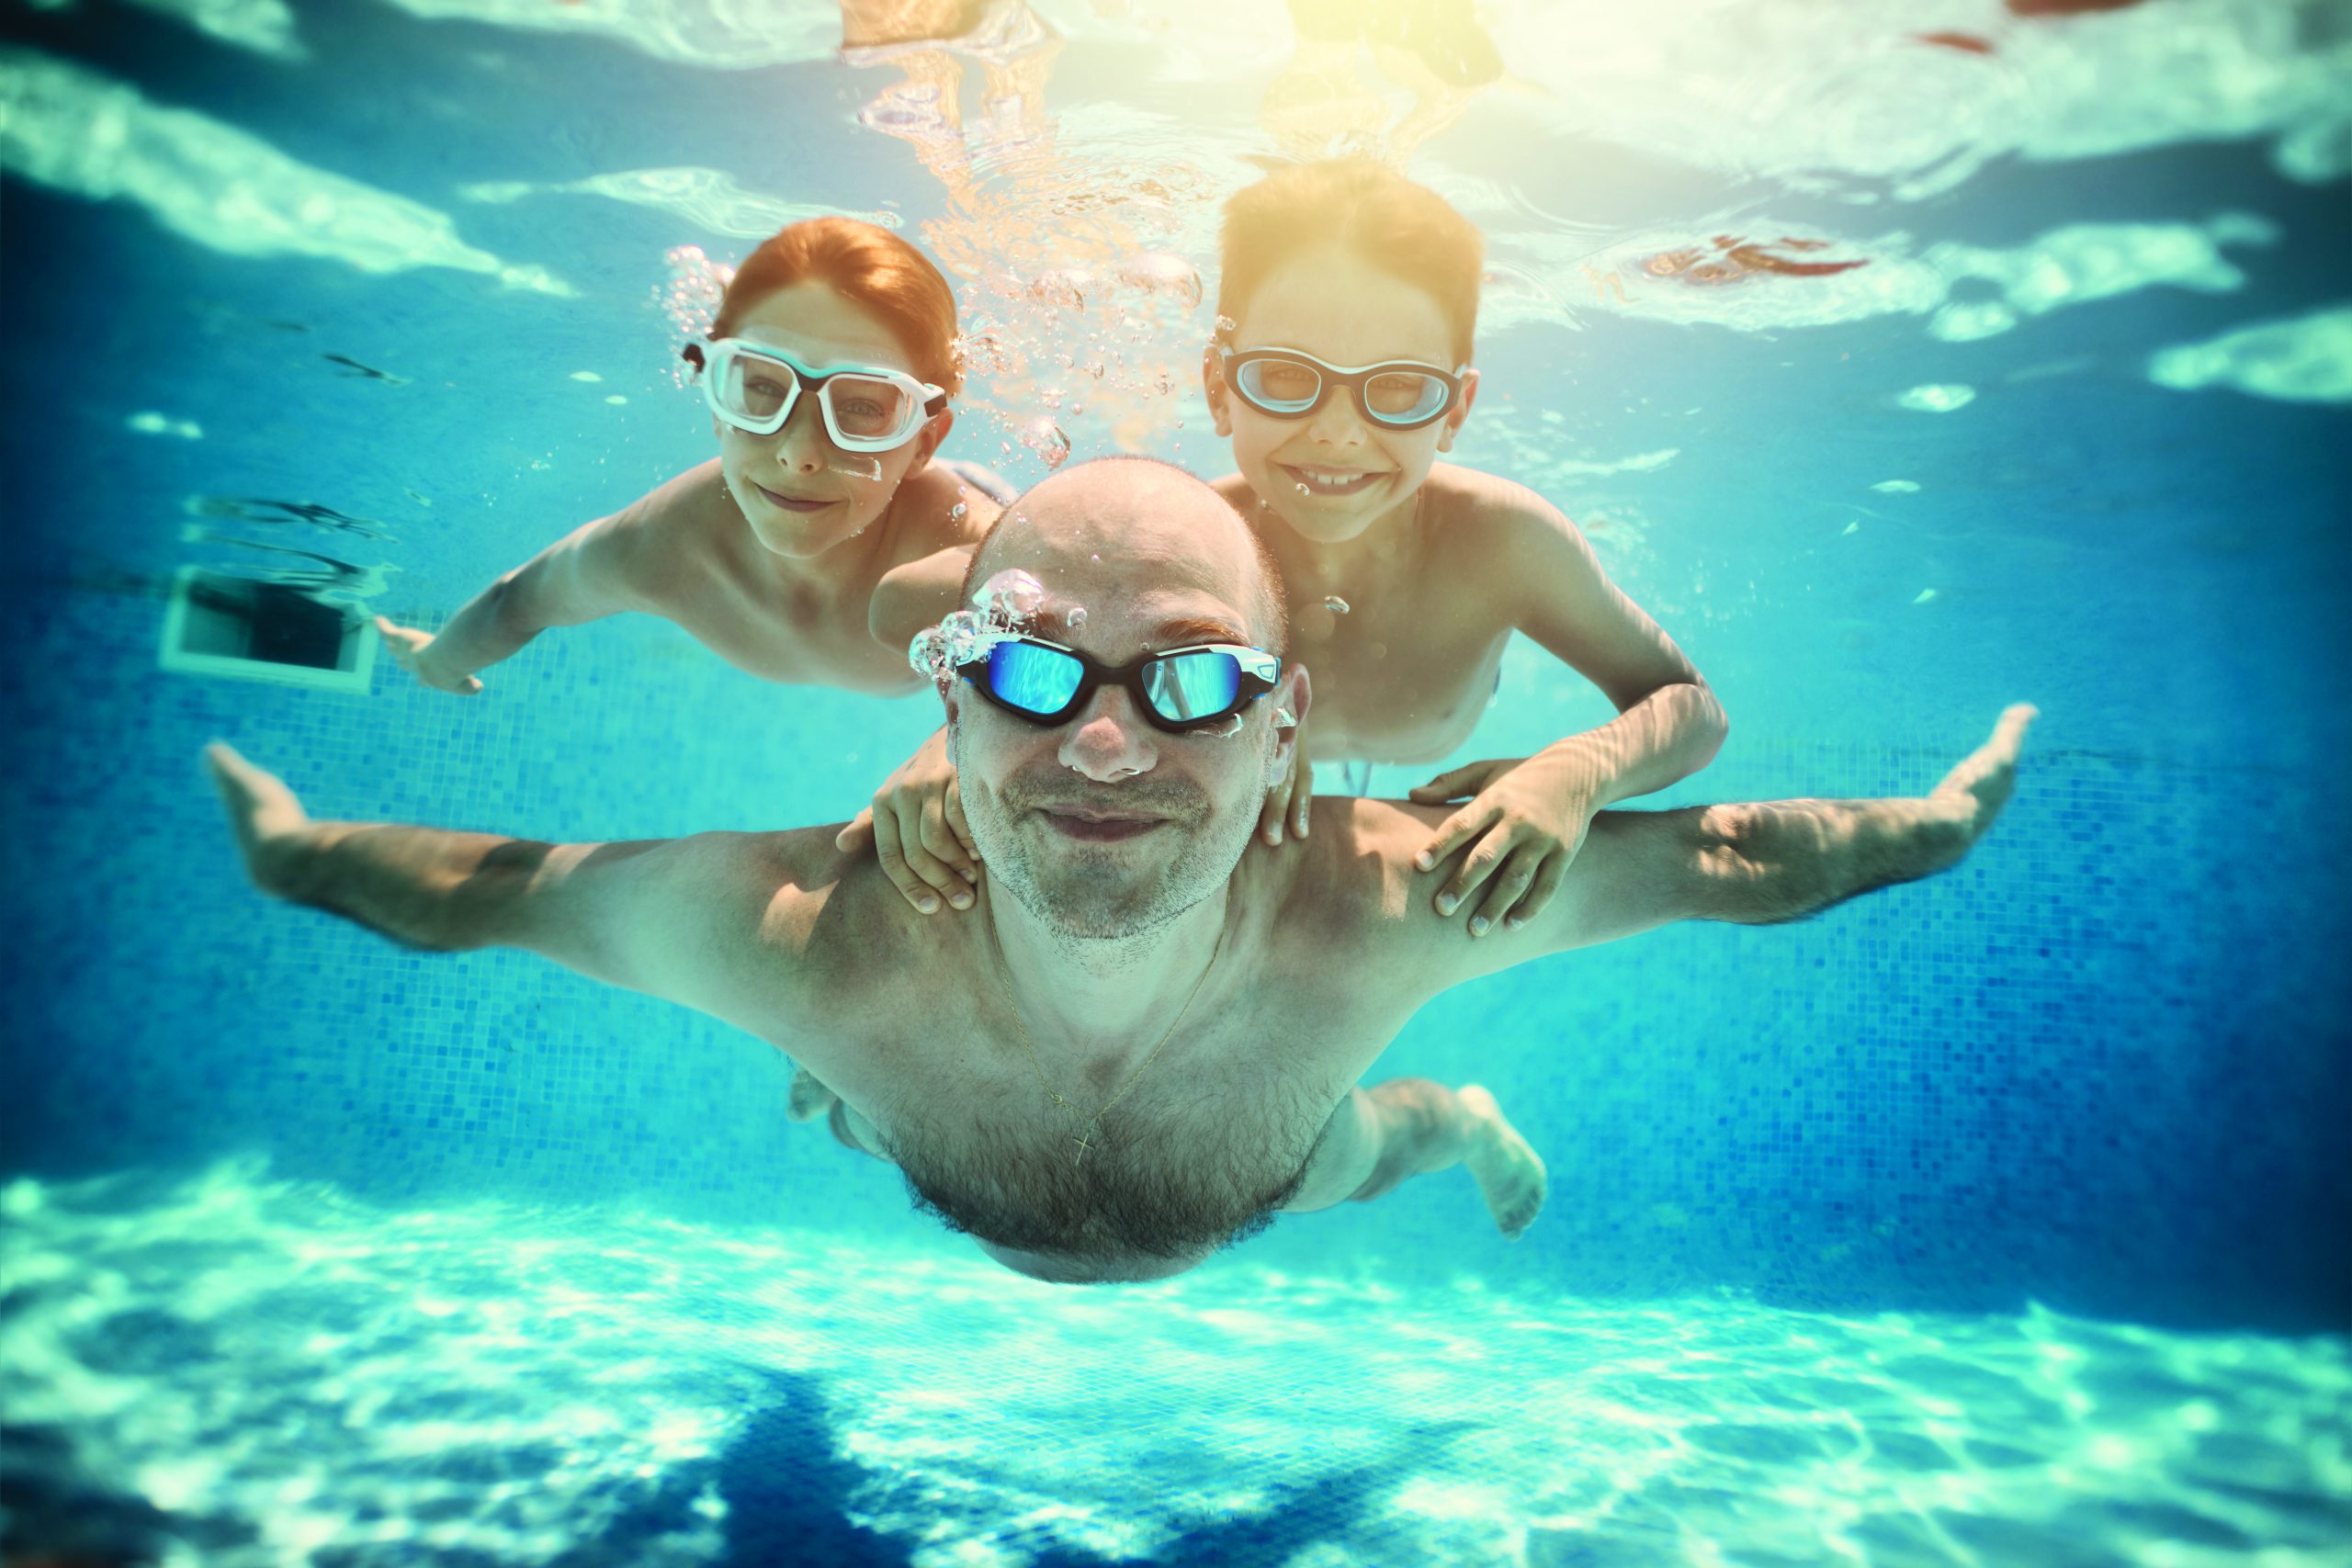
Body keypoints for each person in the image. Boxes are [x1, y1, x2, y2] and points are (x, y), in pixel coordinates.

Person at [208, 458, 2034, 1287]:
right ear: (945, 691)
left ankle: (1463, 1117)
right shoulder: (807, 940)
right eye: (1017, 665)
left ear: (1284, 726)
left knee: (1363, 1143)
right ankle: (859, 1098)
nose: (1095, 743)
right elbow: (489, 887)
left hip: (1269, 1144)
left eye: (1182, 676)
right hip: (920, 1090)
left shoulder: (1386, 898)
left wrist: (1933, 828)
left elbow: (1724, 851)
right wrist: (297, 852)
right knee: (847, 1072)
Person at [854, 160, 1729, 939]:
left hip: (1426, 747)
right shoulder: (1179, 543)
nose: (1338, 433)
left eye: (1398, 389)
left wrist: (1575, 775)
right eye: (1284, 378)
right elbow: (897, 604)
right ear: (1218, 386)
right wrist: (960, 738)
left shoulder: (1502, 542)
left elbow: (1689, 704)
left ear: (1455, 412)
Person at [374, 217, 1003, 705]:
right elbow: (519, 601)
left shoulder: (979, 558)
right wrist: (439, 661)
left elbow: (1081, 656)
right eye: (760, 387)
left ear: (924, 440)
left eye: (864, 407)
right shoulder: (667, 545)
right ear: (717, 404)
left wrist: (942, 758)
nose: (800, 453)